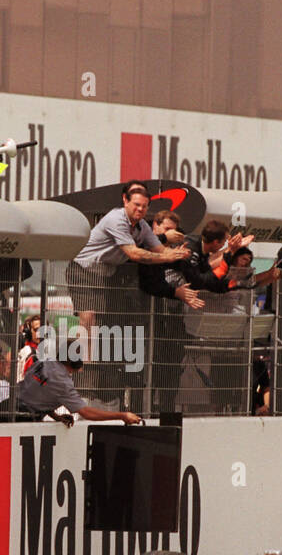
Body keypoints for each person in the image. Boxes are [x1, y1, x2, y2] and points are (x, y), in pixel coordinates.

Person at [65, 181, 189, 336]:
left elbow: (159, 249)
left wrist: (177, 254)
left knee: (106, 322)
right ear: (125, 200)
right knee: (88, 318)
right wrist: (166, 257)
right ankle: (83, 360)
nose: (140, 209)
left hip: (106, 274)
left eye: (144, 206)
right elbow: (134, 254)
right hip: (83, 269)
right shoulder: (116, 219)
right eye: (136, 204)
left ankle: (97, 359)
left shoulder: (142, 226)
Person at [17, 350, 141, 427]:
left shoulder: (44, 362)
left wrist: (57, 417)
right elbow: (86, 412)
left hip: (10, 406)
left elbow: (40, 394)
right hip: (22, 418)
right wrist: (122, 415)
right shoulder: (63, 383)